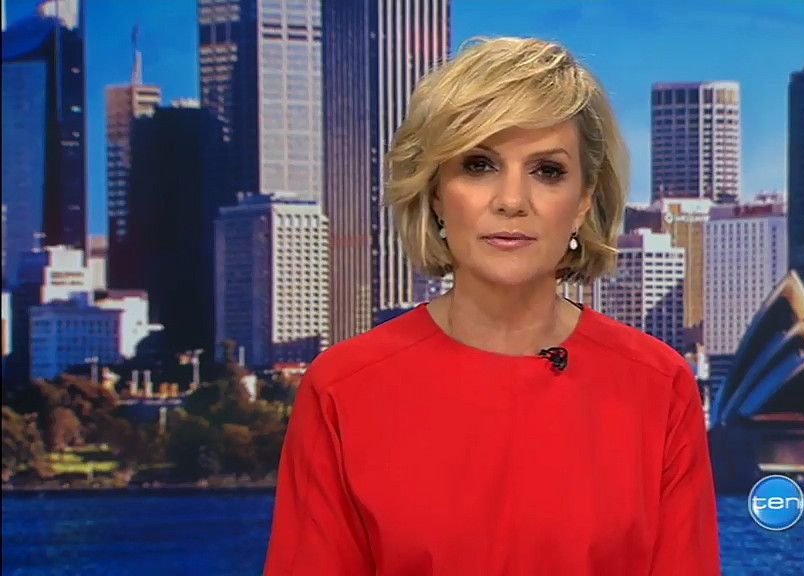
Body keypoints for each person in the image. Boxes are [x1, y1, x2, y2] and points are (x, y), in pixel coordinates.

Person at [264, 36, 720, 575]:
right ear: (436, 193)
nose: (511, 201)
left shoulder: (657, 387)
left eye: (547, 171)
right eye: (479, 165)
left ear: (583, 201)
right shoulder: (343, 389)